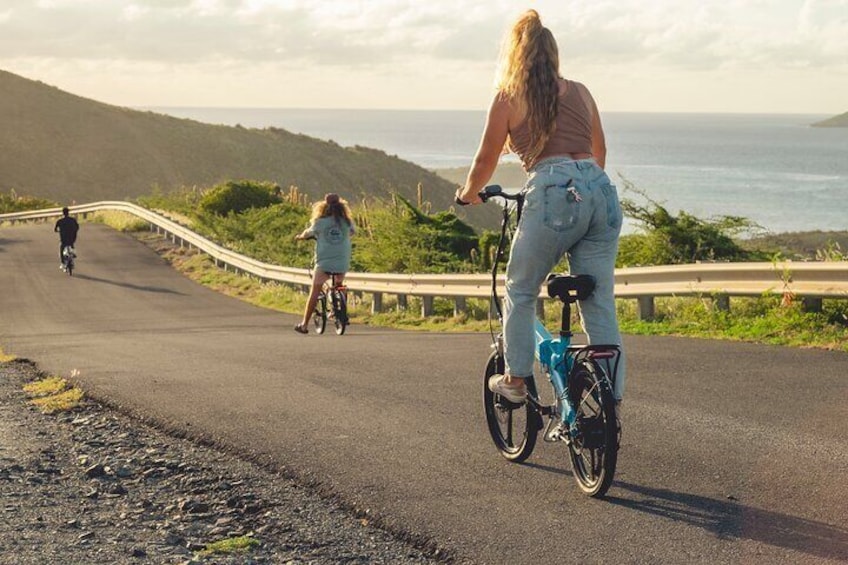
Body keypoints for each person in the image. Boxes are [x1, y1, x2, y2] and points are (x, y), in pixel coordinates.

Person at [455, 9, 626, 405]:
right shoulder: (581, 92)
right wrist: (583, 191)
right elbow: (599, 151)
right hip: (599, 191)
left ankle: (514, 381)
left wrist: (467, 194)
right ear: (554, 54)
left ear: (515, 55)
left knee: (520, 288)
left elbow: (485, 162)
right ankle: (609, 397)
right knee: (598, 299)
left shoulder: (508, 97)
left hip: (552, 191)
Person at [293, 193, 356, 334]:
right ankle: (340, 311)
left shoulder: (320, 222)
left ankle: (304, 325)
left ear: (323, 206)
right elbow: (353, 232)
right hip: (342, 261)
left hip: (324, 262)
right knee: (338, 284)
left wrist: (300, 237)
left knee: (315, 291)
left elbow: (307, 233)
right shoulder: (347, 222)